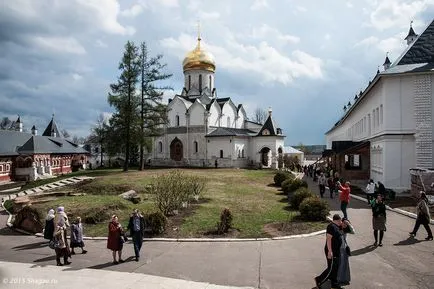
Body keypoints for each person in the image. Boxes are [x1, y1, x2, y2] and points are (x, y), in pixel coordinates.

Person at [314, 214, 343, 289]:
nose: (341, 222)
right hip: (331, 251)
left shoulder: (336, 226)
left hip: (336, 251)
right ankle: (319, 280)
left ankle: (334, 283)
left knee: (335, 267)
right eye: (340, 221)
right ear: (337, 220)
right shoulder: (331, 227)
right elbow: (329, 239)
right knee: (331, 268)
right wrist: (330, 251)